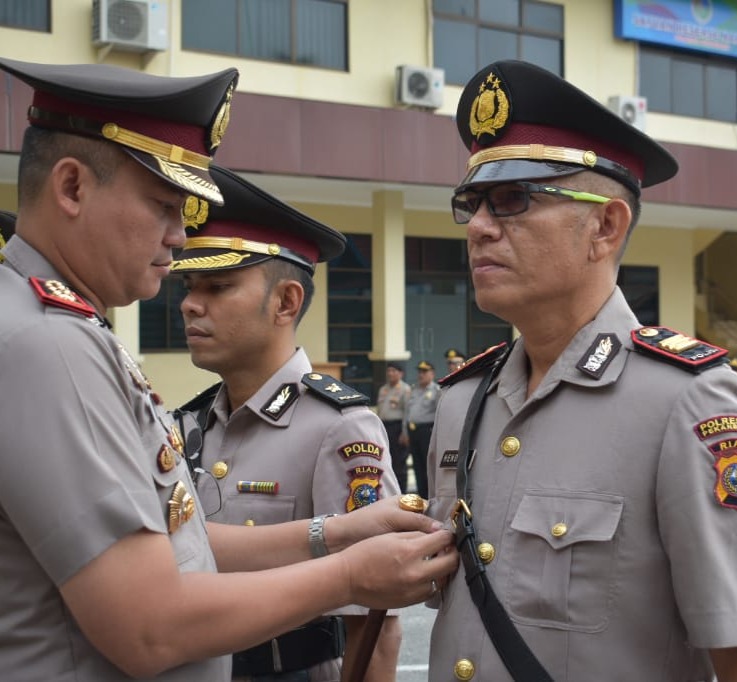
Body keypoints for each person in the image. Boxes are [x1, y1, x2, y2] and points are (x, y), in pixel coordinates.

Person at [0, 57, 456, 681]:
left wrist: (335, 534)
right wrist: (350, 573)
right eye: (164, 205)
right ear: (73, 187)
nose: (177, 237)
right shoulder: (47, 343)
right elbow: (150, 625)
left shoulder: (51, 328)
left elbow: (170, 546)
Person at [426, 60, 737, 681]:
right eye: (472, 203)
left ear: (604, 225)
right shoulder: (464, 400)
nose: (480, 228)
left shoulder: (687, 401)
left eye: (512, 200)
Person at [172, 164, 403, 682]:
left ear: (285, 301)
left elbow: (375, 620)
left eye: (217, 286)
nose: (190, 303)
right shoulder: (189, 423)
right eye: (189, 285)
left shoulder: (339, 428)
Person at [401, 360, 440, 498]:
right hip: (413, 431)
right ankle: (422, 495)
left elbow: (438, 414)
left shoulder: (436, 390)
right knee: (417, 464)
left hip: (426, 431)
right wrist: (404, 432)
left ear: (432, 373)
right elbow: (407, 412)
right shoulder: (414, 389)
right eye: (419, 372)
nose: (421, 375)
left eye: (424, 372)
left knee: (427, 466)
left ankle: (431, 495)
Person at [376, 362, 411, 488]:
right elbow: (380, 411)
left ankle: (401, 491)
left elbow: (407, 412)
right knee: (385, 460)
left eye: (394, 371)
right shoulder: (383, 389)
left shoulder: (405, 389)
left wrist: (405, 432)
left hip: (398, 429)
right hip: (385, 427)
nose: (390, 373)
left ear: (401, 373)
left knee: (399, 462)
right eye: (389, 371)